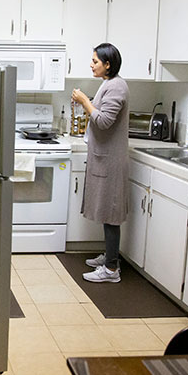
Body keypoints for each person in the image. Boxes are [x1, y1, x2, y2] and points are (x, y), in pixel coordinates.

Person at [71, 43, 129, 283]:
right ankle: (109, 257)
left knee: (111, 213)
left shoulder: (117, 86)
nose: (91, 64)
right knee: (107, 211)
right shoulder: (108, 83)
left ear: (108, 64)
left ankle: (112, 270)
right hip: (103, 157)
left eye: (95, 61)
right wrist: (85, 102)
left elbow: (104, 121)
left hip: (111, 162)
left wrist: (85, 101)